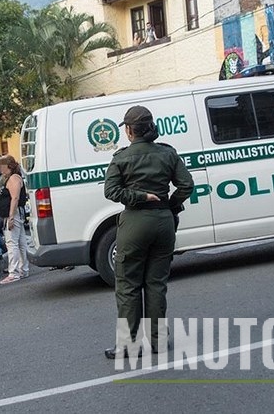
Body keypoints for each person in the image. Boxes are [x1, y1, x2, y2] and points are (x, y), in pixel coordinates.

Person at [102, 106, 194, 359]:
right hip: (164, 221)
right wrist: (170, 205)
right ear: (151, 128)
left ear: (130, 131)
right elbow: (186, 185)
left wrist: (139, 196)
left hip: (135, 222)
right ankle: (157, 342)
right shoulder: (167, 153)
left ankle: (129, 345)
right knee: (156, 284)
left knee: (129, 286)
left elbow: (111, 191)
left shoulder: (121, 157)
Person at [0, 156, 29, 284]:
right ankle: (22, 269)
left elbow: (14, 199)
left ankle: (14, 272)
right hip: (16, 213)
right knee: (20, 242)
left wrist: (10, 217)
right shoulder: (14, 177)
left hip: (13, 214)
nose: (1, 171)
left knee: (12, 243)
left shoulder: (13, 179)